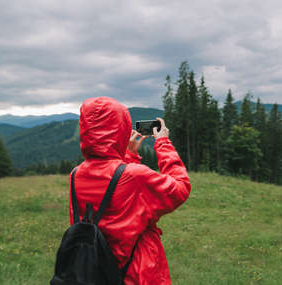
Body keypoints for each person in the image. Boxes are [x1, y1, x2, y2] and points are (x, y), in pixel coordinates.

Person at [70, 96, 191, 284]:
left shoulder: (76, 174)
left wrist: (128, 156)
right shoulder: (136, 177)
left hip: (94, 272)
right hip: (137, 274)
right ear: (121, 129)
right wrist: (163, 143)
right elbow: (180, 187)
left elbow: (113, 198)